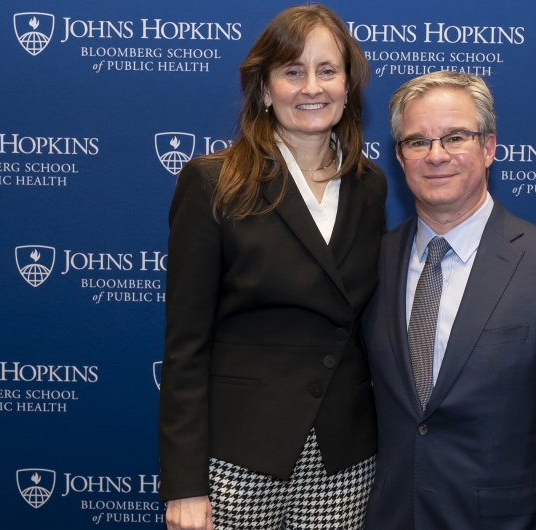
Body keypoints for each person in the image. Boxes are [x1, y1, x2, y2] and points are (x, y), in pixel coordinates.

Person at [158, 5, 385, 530]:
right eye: (292, 71)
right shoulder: (214, 181)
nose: (312, 87)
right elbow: (185, 344)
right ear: (264, 89)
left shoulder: (370, 185)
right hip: (240, 455)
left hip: (343, 456)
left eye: (327, 70)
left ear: (348, 86)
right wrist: (185, 486)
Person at [362, 71, 536, 529]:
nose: (436, 155)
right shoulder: (369, 262)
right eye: (418, 142)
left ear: (489, 147)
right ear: (400, 157)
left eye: (455, 136)